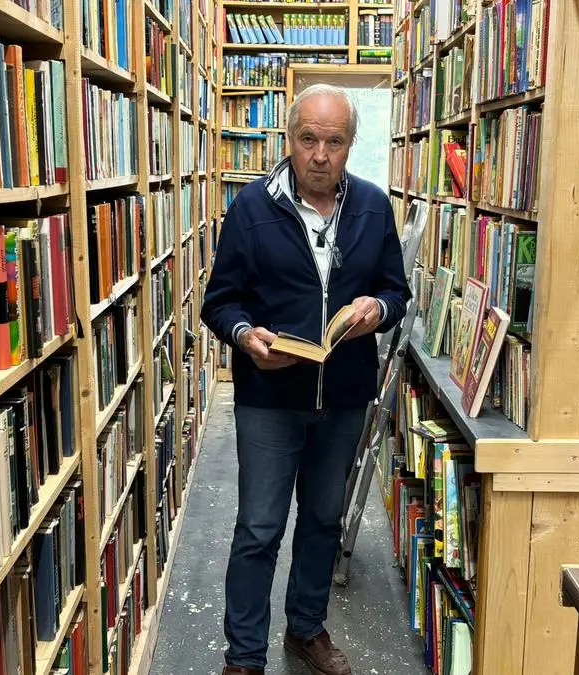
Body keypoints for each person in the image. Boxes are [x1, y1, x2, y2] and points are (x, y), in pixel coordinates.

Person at [201, 84, 411, 675]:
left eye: (334, 142)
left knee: (322, 520)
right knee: (259, 528)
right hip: (269, 398)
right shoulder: (251, 208)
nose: (320, 154)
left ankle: (305, 629)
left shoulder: (373, 207)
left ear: (350, 145)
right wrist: (245, 335)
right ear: (289, 138)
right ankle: (244, 657)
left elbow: (396, 291)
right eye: (308, 139)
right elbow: (219, 302)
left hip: (342, 397)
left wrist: (378, 309)